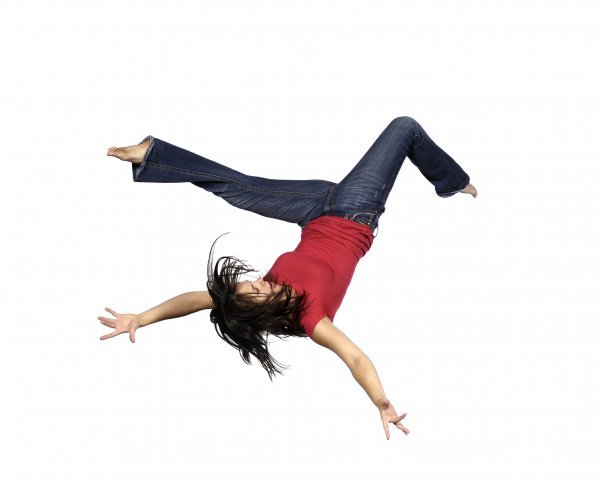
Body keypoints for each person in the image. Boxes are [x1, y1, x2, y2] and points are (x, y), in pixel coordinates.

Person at [99, 116, 477, 440]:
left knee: (238, 189)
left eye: (251, 282)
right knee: (404, 127)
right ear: (263, 311)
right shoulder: (312, 319)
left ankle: (152, 156)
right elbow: (355, 358)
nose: (260, 280)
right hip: (356, 209)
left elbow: (193, 300)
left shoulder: (251, 296)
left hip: (311, 209)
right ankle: (452, 181)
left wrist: (141, 318)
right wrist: (381, 400)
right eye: (257, 289)